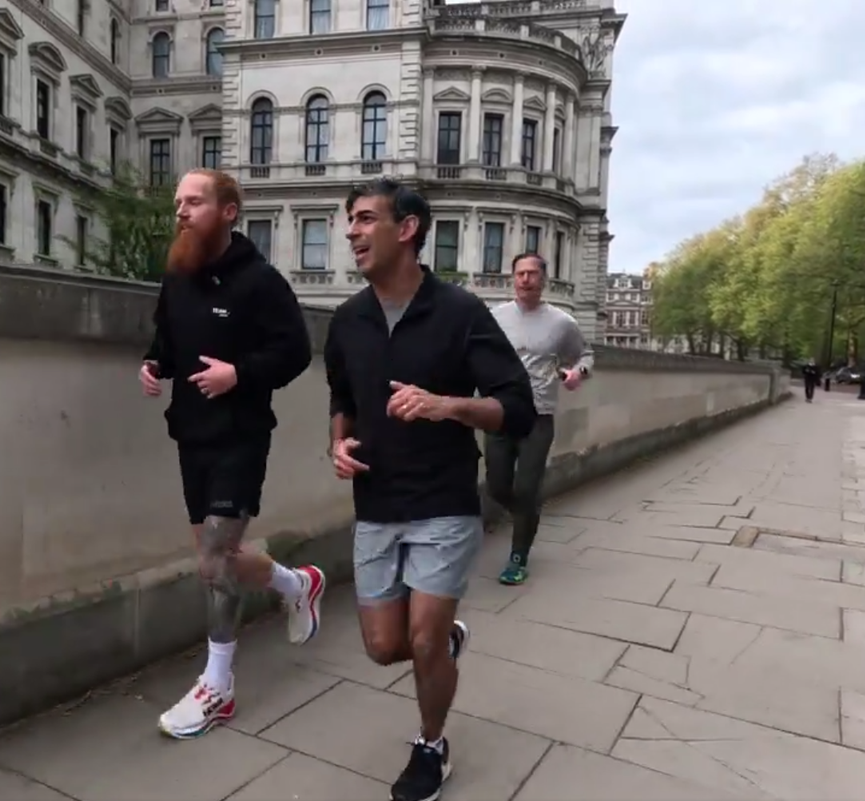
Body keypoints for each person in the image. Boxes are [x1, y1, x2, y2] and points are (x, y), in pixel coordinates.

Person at [324, 178, 537, 801]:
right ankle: (444, 641)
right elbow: (342, 397)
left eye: (365, 219)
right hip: (376, 506)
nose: (352, 232)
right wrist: (337, 443)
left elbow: (517, 408)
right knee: (385, 646)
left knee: (418, 641)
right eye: (350, 222)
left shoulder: (460, 312)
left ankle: (431, 746)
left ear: (408, 228)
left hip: (443, 503)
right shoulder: (347, 321)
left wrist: (445, 405)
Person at [140, 168, 326, 739]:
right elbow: (168, 339)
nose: (181, 211)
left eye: (193, 201)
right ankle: (299, 586)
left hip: (241, 434)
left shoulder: (261, 282)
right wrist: (154, 364)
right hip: (190, 434)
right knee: (215, 555)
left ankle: (218, 686)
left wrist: (239, 374)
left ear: (228, 212)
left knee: (216, 559)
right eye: (178, 202)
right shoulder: (179, 275)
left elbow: (296, 350)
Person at [486, 253, 594, 586]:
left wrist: (578, 372)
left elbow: (586, 355)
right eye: (519, 273)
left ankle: (518, 556)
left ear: (543, 279)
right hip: (500, 412)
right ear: (512, 278)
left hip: (539, 416)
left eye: (532, 273)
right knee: (497, 486)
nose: (525, 279)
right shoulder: (494, 317)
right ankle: (527, 512)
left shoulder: (562, 323)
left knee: (527, 486)